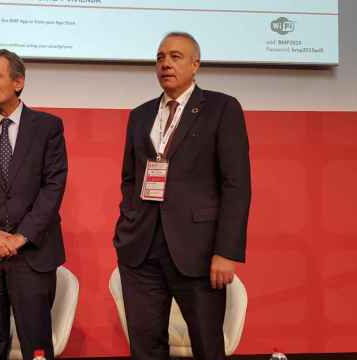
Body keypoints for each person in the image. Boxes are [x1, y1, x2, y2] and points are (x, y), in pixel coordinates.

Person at [113, 32, 251, 360]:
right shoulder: (140, 115)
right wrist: (127, 225)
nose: (165, 64)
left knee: (207, 346)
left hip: (199, 251)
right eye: (160, 58)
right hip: (141, 250)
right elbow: (130, 179)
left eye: (175, 57)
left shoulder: (221, 108)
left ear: (195, 64)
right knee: (146, 348)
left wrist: (226, 251)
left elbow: (237, 184)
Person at [0, 49, 68, 360]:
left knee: (37, 349)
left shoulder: (48, 128)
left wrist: (21, 237)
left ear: (18, 82)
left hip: (32, 255)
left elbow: (53, 187)